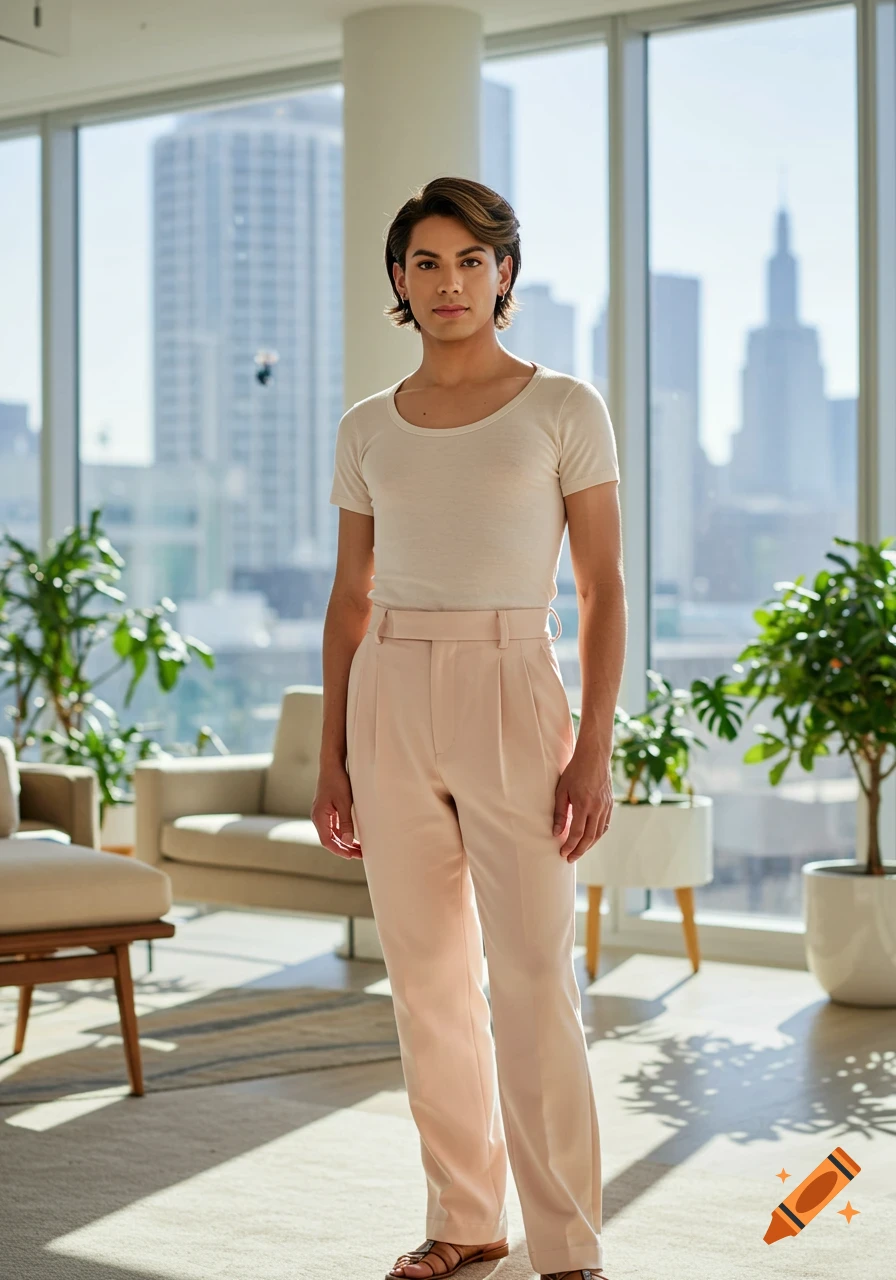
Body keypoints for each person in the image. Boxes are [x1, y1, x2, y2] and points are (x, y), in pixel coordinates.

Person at [313, 175, 627, 1280]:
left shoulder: (562, 408)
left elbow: (601, 587)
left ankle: (567, 1242)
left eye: (470, 260)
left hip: (512, 683)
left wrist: (590, 746)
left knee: (535, 971)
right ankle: (463, 1216)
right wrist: (330, 756)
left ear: (504, 274)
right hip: (388, 691)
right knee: (426, 976)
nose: (448, 282)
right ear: (398, 281)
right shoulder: (365, 427)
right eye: (425, 263)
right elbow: (348, 596)